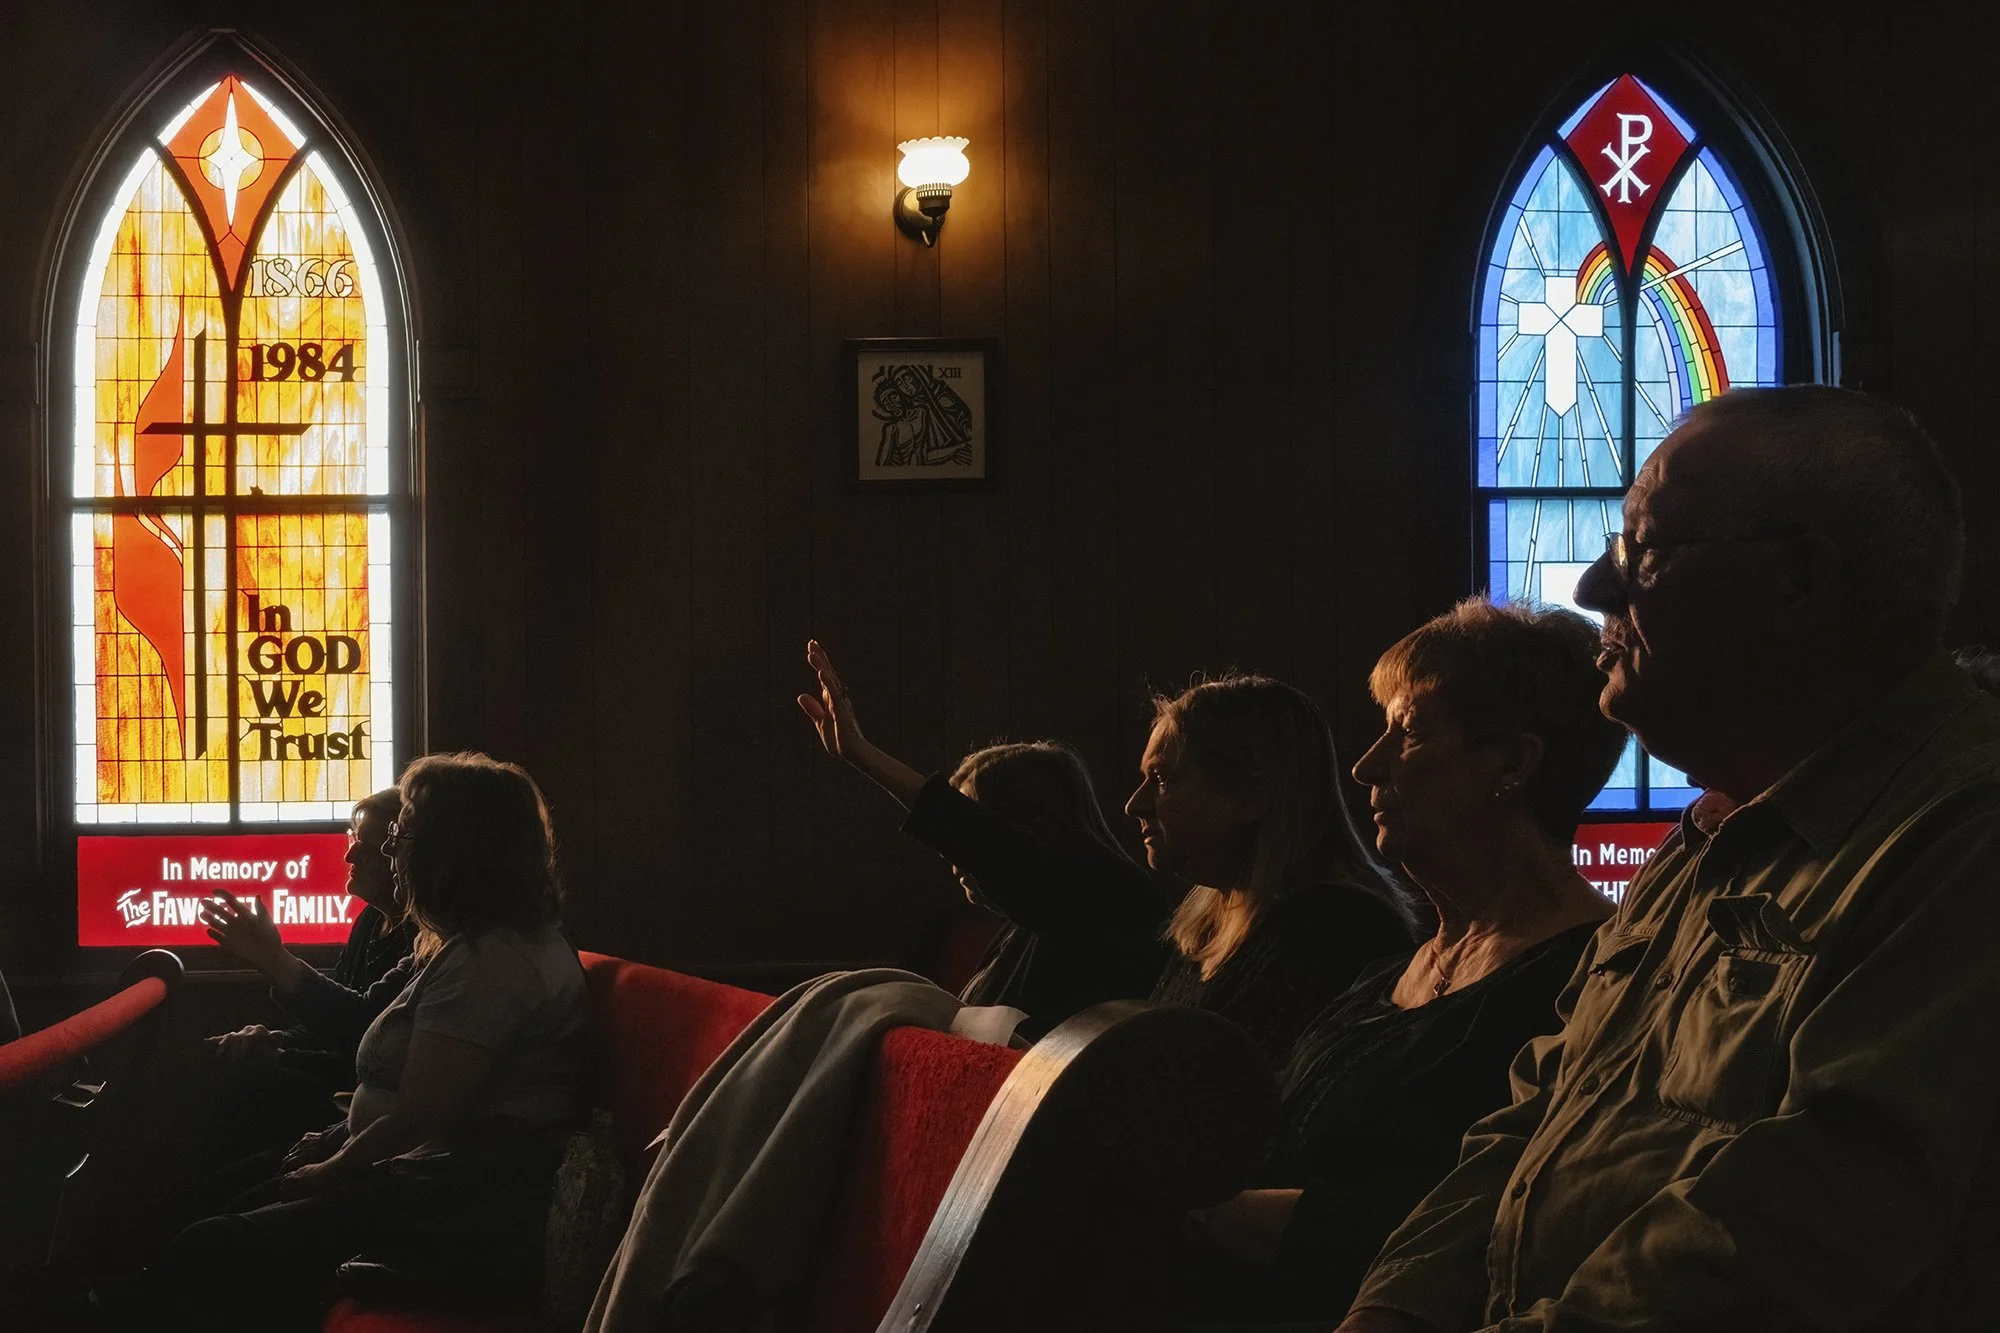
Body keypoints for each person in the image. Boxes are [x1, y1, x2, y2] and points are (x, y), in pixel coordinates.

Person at [1340, 386, 2000, 1333]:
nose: (1592, 590)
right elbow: (1529, 1126)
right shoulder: (1702, 842)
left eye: (1640, 550)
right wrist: (1392, 1311)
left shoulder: (1959, 839)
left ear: (1798, 580)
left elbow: (1791, 1236)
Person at [1183, 600, 1623, 1322]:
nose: (1365, 765)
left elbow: (1485, 1230)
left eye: (1410, 731)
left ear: (1513, 762)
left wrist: (1204, 1216)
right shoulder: (1389, 974)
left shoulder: (1585, 983)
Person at [142, 753, 588, 1332]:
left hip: (453, 1205)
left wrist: (330, 1168)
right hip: (419, 1179)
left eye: (403, 833)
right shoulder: (465, 945)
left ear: (453, 849)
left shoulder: (493, 962)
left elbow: (423, 1119)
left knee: (211, 1245)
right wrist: (330, 1138)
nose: (390, 849)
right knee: (233, 1194)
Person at [798, 639, 1171, 1039]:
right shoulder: (1023, 929)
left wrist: (863, 754)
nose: (956, 852)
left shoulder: (1106, 905)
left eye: (973, 825)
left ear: (1027, 826)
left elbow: (991, 848)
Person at [1132, 675, 1419, 1070]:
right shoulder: (1214, 916)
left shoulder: (1334, 932)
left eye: (1163, 779)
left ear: (1252, 797)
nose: (1135, 805)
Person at [197, 788, 416, 1181]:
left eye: (365, 849)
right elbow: (330, 1023)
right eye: (352, 841)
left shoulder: (423, 936)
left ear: (403, 857)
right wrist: (277, 1039)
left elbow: (362, 1030)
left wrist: (274, 961)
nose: (349, 856)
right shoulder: (369, 922)